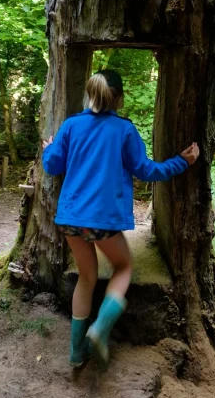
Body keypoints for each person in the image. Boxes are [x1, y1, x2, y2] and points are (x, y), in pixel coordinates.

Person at [42, 70, 199, 367]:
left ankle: (76, 353)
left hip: (71, 218)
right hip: (104, 221)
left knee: (86, 278)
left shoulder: (71, 125)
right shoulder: (125, 130)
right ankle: (100, 328)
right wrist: (183, 161)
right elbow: (146, 170)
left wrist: (48, 150)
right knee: (124, 266)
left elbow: (52, 165)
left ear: (91, 94)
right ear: (120, 99)